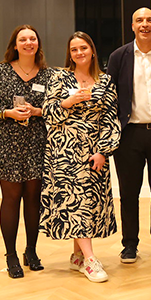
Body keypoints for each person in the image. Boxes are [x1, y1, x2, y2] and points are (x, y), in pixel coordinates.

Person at [40, 32, 120, 282]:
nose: (79, 53)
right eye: (74, 49)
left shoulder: (105, 81)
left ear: (92, 51)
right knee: (75, 203)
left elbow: (111, 118)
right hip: (63, 151)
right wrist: (67, 102)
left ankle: (77, 256)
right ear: (70, 53)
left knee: (88, 203)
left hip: (93, 152)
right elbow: (48, 113)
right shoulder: (59, 77)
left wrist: (103, 150)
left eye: (83, 48)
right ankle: (91, 260)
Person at [0, 25, 54, 278]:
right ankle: (11, 255)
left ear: (38, 44)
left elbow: (56, 110)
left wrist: (37, 111)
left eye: (32, 39)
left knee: (33, 199)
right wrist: (7, 113)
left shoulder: (48, 75)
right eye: (23, 39)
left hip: (37, 143)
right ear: (15, 44)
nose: (28, 43)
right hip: (7, 144)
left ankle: (31, 251)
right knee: (11, 199)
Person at [107, 7, 151, 263]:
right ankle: (129, 245)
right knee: (129, 193)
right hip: (129, 135)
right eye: (139, 20)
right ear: (132, 26)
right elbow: (108, 95)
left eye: (149, 20)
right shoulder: (119, 56)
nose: (144, 24)